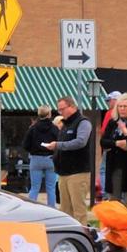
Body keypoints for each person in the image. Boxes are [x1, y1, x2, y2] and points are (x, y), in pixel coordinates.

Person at [44, 95, 93, 225]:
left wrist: (58, 145)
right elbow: (64, 144)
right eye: (59, 110)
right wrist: (55, 153)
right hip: (63, 172)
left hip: (78, 172)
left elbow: (80, 142)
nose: (60, 113)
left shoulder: (83, 122)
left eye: (62, 109)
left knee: (78, 209)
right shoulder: (65, 125)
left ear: (72, 106)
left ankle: (82, 236)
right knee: (65, 210)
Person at [99, 92, 127, 209]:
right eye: (120, 106)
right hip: (113, 165)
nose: (122, 109)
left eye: (125, 106)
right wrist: (117, 143)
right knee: (114, 202)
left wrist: (125, 132)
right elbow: (103, 141)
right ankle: (116, 227)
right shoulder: (113, 122)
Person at [22, 105, 58, 207]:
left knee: (34, 187)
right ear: (49, 114)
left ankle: (30, 208)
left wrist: (33, 150)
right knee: (51, 188)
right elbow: (60, 142)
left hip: (36, 159)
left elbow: (25, 145)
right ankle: (52, 209)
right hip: (50, 159)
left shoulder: (32, 129)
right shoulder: (54, 128)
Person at [98, 90, 121, 197]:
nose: (108, 102)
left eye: (109, 100)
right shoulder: (122, 113)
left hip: (110, 146)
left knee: (104, 170)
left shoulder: (110, 113)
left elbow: (104, 131)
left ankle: (105, 193)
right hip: (118, 147)